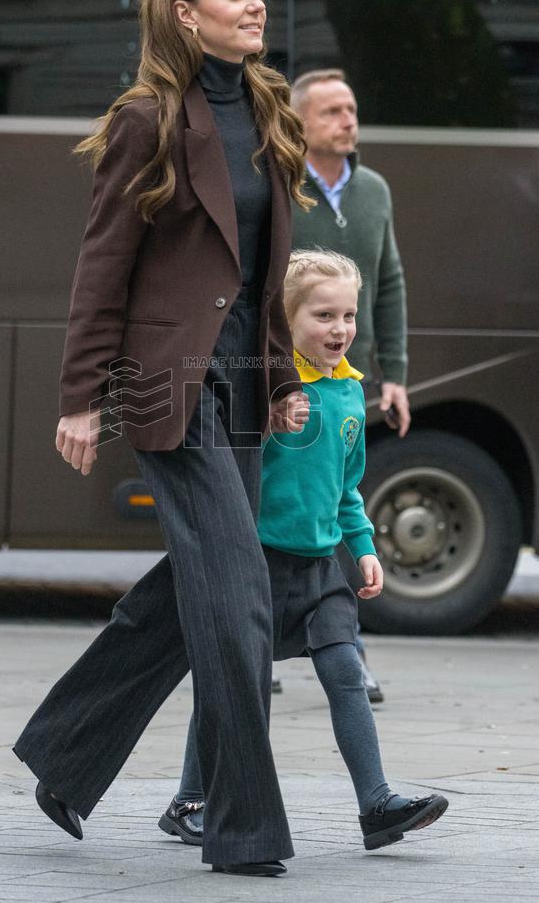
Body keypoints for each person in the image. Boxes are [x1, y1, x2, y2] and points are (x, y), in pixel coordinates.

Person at [12, 0, 313, 879]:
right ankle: (244, 828)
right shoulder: (147, 119)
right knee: (237, 596)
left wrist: (290, 380)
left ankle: (65, 752)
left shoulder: (267, 111)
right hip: (162, 382)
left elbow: (265, 275)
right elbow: (102, 266)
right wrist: (82, 397)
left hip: (247, 385)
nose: (257, 4)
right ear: (187, 14)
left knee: (200, 590)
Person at [159, 251, 448, 851]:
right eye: (323, 316)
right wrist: (264, 420)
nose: (340, 329)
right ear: (285, 322)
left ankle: (377, 806)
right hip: (254, 562)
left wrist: (363, 546)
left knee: (346, 672)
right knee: (234, 681)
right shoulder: (263, 386)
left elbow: (346, 488)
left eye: (349, 315)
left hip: (321, 568)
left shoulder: (347, 393)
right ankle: (192, 799)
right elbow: (223, 466)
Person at [291, 68, 411, 703]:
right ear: (302, 122)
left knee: (343, 502)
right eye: (333, 111)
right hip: (284, 385)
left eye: (351, 109)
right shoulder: (280, 186)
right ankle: (260, 644)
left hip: (349, 382)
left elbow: (388, 281)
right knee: (274, 504)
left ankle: (349, 652)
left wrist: (394, 373)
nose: (347, 121)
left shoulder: (374, 190)